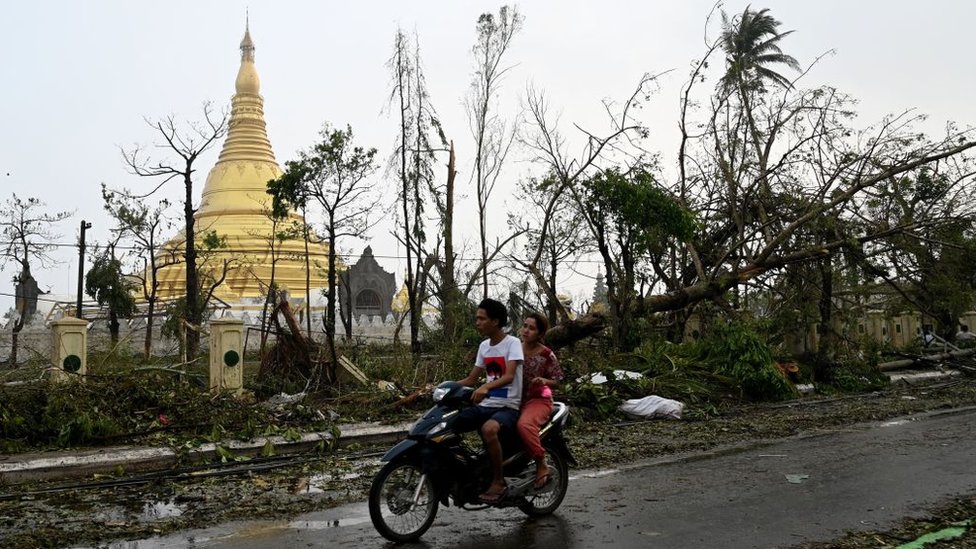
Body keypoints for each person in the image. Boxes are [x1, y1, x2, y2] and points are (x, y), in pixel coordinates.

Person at [455, 298, 524, 503]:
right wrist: (443, 387)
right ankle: (469, 470)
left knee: (489, 429)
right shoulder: (484, 346)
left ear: (495, 321)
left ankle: (498, 480)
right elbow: (471, 379)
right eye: (477, 318)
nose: (477, 322)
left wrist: (486, 387)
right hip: (487, 405)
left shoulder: (513, 343)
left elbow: (509, 376)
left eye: (481, 318)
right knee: (454, 422)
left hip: (508, 406)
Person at [516, 312, 564, 489]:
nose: (526, 331)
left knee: (524, 425)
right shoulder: (514, 349)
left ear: (540, 334)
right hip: (514, 399)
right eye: (525, 326)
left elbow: (558, 381)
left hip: (538, 400)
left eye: (532, 328)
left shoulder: (546, 354)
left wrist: (544, 381)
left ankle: (541, 462)